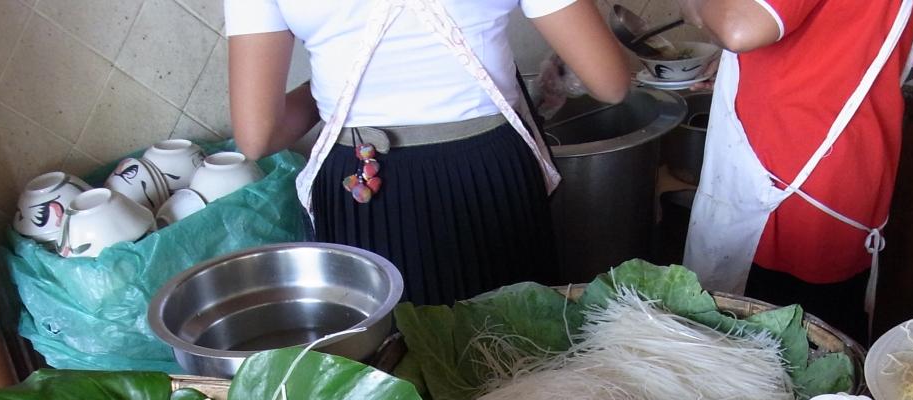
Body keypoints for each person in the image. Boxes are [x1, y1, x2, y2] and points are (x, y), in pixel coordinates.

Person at [224, 0, 630, 306]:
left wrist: (336, 83)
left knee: (387, 365)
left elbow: (258, 137)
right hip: (488, 176)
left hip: (362, 184)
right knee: (515, 353)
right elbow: (610, 83)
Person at [677, 0, 913, 344]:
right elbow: (852, 43)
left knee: (759, 350)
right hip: (848, 177)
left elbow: (738, 27)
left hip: (784, 185)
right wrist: (746, 64)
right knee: (823, 345)